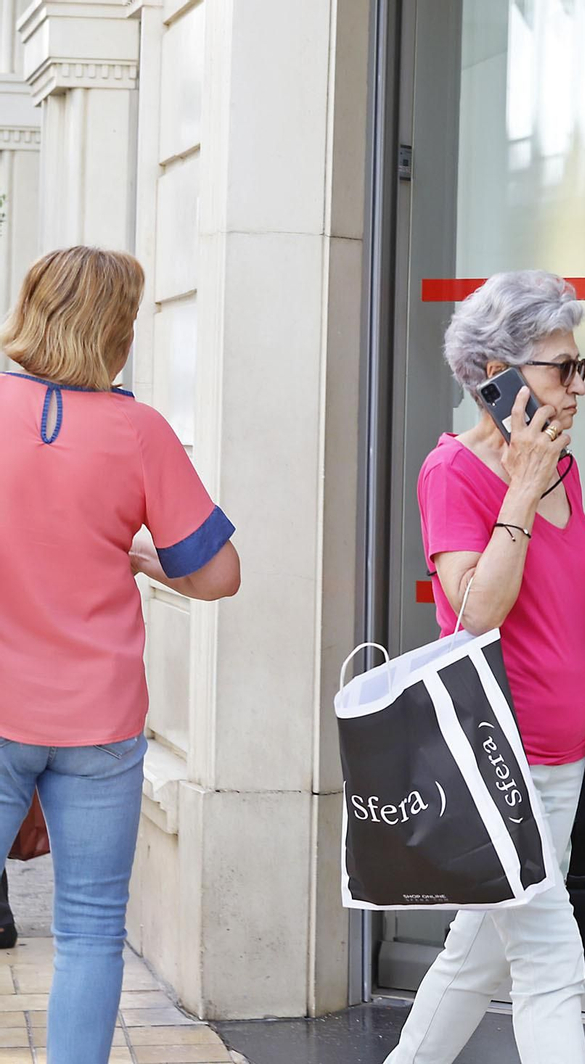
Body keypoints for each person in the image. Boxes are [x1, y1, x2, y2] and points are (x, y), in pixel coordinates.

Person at [385, 270, 585, 1064]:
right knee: (549, 960)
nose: (578, 387)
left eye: (581, 367)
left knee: (473, 959)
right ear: (495, 377)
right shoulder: (455, 473)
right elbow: (476, 610)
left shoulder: (562, 469)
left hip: (567, 750)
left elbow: (552, 592)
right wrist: (522, 487)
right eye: (560, 367)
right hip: (496, 754)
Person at [0, 246, 241, 1060]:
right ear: (118, 332)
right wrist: (142, 556)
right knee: (92, 931)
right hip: (100, 723)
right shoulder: (140, 430)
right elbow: (216, 573)